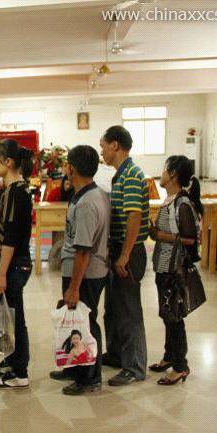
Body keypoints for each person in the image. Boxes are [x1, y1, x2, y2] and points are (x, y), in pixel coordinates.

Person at [48, 145, 110, 395]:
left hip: (86, 273)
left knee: (85, 323)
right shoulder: (91, 194)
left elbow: (83, 250)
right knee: (75, 321)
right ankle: (74, 368)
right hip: (81, 271)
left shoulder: (87, 203)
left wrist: (74, 288)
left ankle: (89, 377)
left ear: (71, 168)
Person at [100, 125, 150, 386]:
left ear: (115, 145)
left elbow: (134, 217)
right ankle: (117, 354)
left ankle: (135, 367)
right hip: (119, 248)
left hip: (129, 250)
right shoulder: (120, 175)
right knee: (113, 307)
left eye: (103, 146)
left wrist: (125, 255)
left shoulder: (130, 175)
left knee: (129, 311)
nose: (102, 151)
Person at [148, 156, 202, 386]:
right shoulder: (170, 200)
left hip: (174, 268)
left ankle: (180, 365)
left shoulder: (182, 204)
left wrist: (160, 235)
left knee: (174, 315)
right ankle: (170, 355)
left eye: (164, 169)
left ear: (173, 174)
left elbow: (190, 239)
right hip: (164, 265)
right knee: (167, 313)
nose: (161, 173)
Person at [0, 138, 34, 390]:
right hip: (10, 262)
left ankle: (20, 371)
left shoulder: (17, 192)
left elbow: (11, 238)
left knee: (16, 317)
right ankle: (11, 359)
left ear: (8, 162)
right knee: (9, 313)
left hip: (14, 263)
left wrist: (2, 273)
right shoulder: (12, 190)